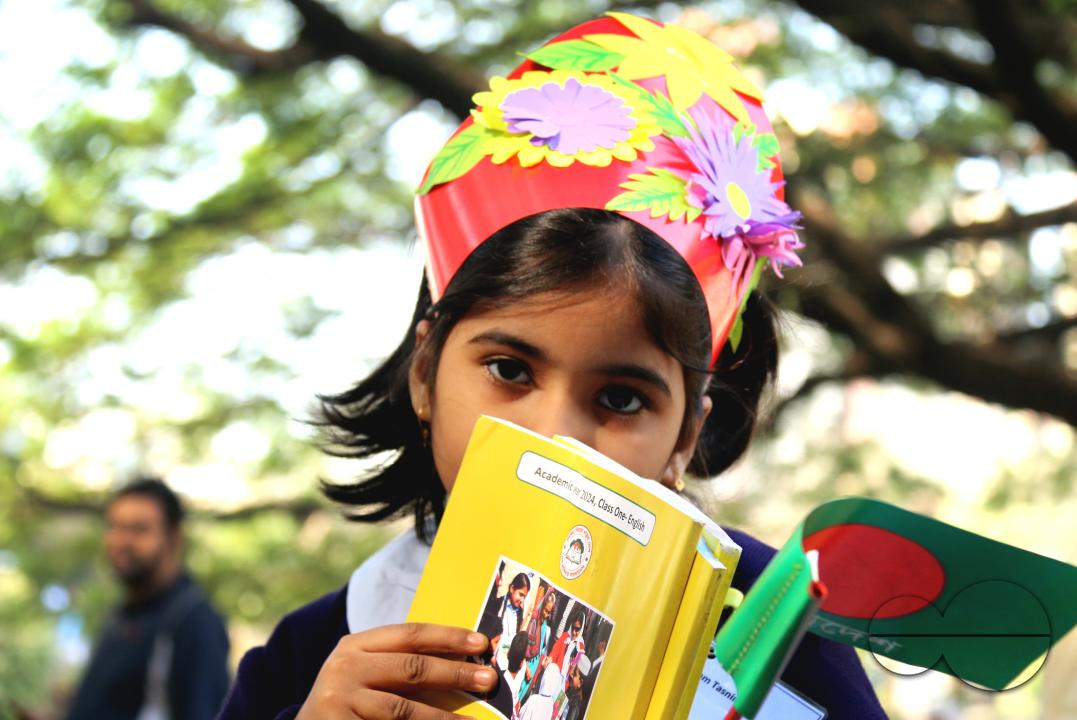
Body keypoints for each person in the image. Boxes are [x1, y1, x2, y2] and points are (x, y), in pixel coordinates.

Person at [217, 12, 887, 720]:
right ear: (424, 374)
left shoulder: (777, 636)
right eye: (509, 370)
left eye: (622, 400)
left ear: (685, 437)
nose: (553, 434)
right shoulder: (309, 659)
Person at [66, 477, 230, 720]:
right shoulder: (122, 614)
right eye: (115, 527)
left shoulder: (193, 622)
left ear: (174, 536)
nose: (122, 541)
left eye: (139, 529)